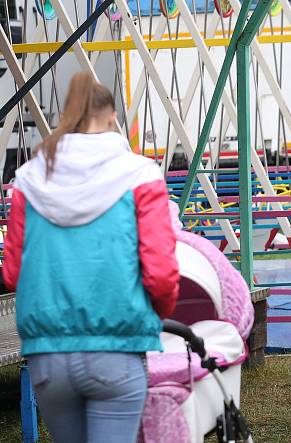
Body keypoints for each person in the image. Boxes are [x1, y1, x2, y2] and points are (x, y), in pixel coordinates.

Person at [2, 71, 179, 442]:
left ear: (67, 116)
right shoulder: (140, 176)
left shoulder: (29, 180)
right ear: (113, 118)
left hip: (48, 356)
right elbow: (161, 272)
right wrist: (153, 316)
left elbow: (13, 272)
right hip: (116, 346)